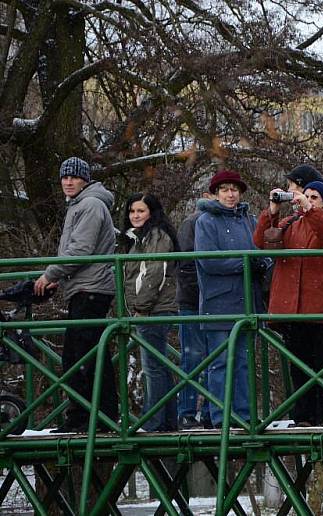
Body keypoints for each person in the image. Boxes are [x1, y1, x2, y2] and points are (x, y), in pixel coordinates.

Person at [34, 157, 119, 433]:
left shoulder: (90, 205)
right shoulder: (81, 205)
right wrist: (62, 276)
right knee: (88, 354)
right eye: (64, 177)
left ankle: (87, 417)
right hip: (84, 286)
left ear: (85, 179)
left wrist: (52, 274)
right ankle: (97, 415)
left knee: (80, 357)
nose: (68, 182)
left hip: (91, 288)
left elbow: (81, 250)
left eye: (74, 177)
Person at [254, 181, 323, 426]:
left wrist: (311, 210)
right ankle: (303, 416)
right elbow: (260, 243)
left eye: (314, 197)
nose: (307, 199)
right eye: (305, 196)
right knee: (299, 366)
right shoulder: (288, 224)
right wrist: (272, 212)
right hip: (292, 308)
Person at [195, 169, 266, 428]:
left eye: (234, 189)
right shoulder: (205, 221)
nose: (230, 194)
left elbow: (262, 253)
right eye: (224, 189)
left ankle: (244, 416)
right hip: (219, 303)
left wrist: (262, 262)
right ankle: (220, 417)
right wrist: (247, 263)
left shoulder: (250, 220)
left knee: (245, 363)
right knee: (221, 363)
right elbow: (209, 261)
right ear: (215, 194)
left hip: (248, 300)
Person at [121, 193, 179, 432]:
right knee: (159, 364)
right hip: (151, 307)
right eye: (132, 211)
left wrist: (140, 308)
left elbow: (155, 272)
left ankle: (153, 420)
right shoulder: (137, 238)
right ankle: (166, 420)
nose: (135, 215)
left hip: (153, 309)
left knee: (153, 366)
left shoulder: (155, 236)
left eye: (141, 211)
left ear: (151, 213)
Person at [175, 193, 215, 429]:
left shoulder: (222, 223)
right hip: (194, 301)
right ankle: (187, 412)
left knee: (213, 359)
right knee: (193, 358)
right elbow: (185, 264)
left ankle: (209, 411)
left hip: (215, 302)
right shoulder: (192, 223)